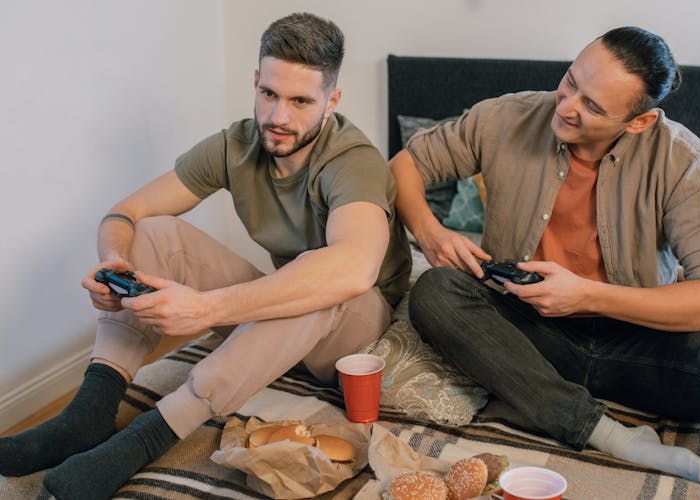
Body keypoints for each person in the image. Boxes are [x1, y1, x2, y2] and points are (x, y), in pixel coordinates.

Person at [0, 12, 411, 499]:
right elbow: (127, 212)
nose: (279, 117)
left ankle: (147, 437)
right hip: (287, 332)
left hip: (357, 336)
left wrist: (206, 308)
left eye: (301, 101)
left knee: (318, 276)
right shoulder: (236, 144)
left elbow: (353, 269)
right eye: (270, 94)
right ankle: (88, 413)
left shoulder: (352, 161)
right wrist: (114, 263)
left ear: (332, 100)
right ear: (256, 82)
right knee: (156, 232)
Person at [390, 26, 700, 486]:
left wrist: (587, 296)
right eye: (571, 81)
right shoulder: (504, 117)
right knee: (435, 291)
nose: (567, 106)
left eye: (593, 106)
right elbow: (404, 165)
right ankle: (606, 433)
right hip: (528, 334)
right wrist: (431, 233)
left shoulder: (683, 161)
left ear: (639, 121)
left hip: (641, 344)